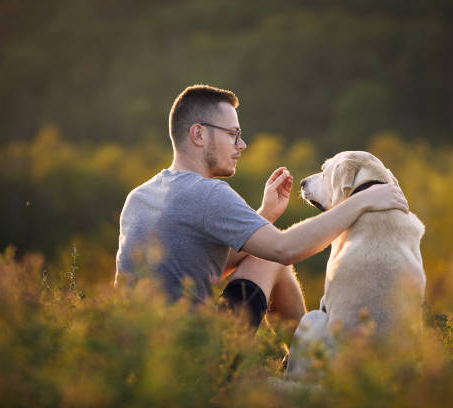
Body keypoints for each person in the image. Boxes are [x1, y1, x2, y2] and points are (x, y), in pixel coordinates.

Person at [115, 84, 408, 331]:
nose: (241, 145)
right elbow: (285, 249)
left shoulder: (139, 197)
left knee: (261, 254)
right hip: (197, 363)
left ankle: (302, 358)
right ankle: (308, 363)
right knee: (272, 257)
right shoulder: (207, 193)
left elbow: (206, 264)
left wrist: (264, 216)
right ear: (199, 134)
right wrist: (362, 200)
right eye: (233, 134)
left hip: (137, 356)